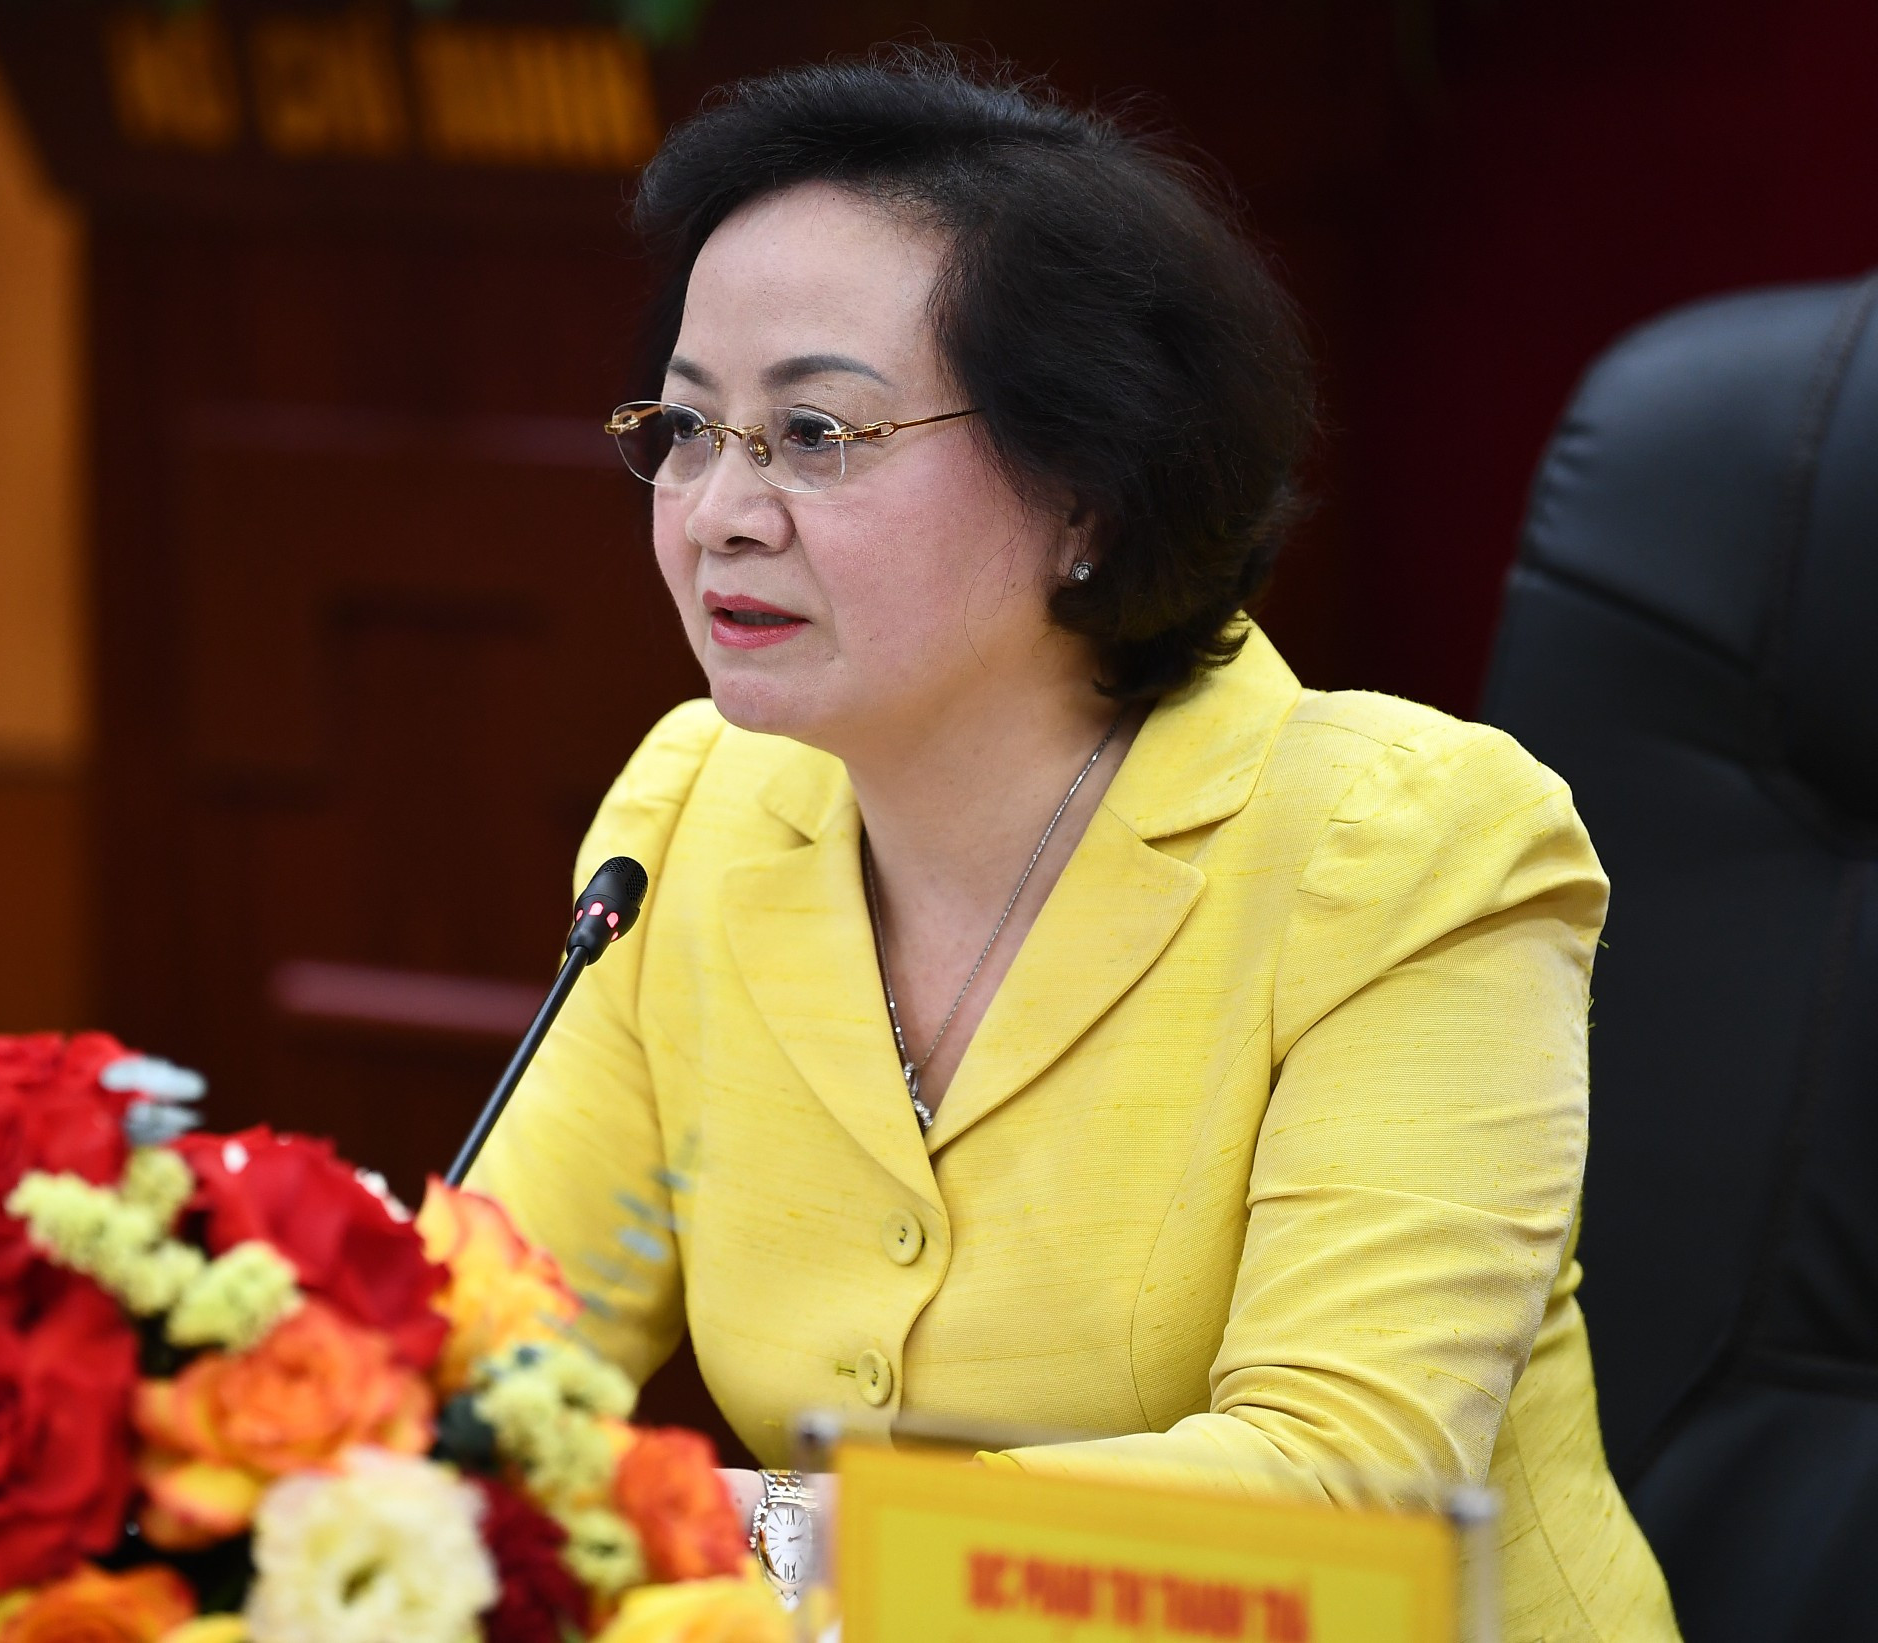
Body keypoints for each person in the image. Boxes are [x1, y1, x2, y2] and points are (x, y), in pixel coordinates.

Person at [467, 51, 1678, 1643]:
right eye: (688, 429)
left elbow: (1346, 1497)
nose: (716, 515)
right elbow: (492, 1351)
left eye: (815, 432)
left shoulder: (1401, 847)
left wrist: (752, 1536)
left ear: (1089, 491)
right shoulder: (696, 809)